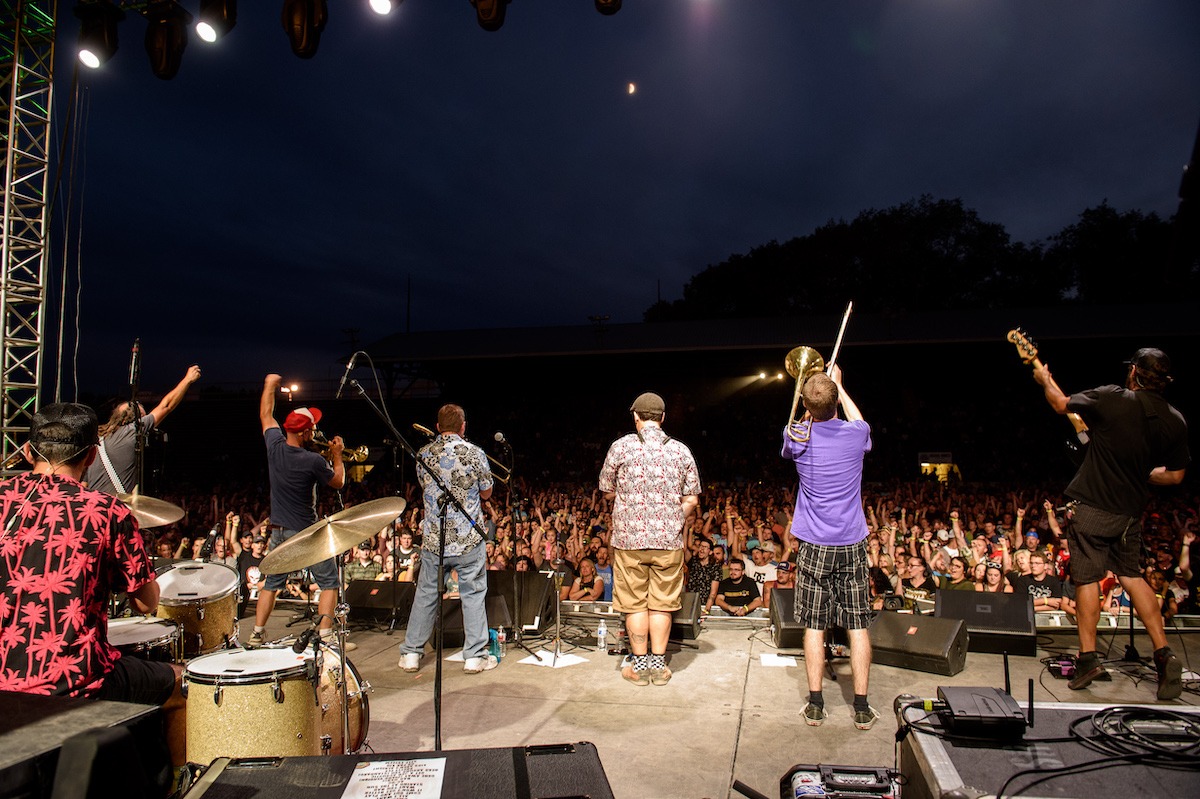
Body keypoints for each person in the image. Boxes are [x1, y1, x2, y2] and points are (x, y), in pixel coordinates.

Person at [0, 403, 186, 767]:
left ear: (26, 451)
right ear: (91, 457)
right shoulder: (105, 511)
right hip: (70, 680)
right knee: (180, 685)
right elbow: (146, 605)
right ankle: (175, 785)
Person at [1032, 347, 1189, 698]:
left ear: (1134, 372)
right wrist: (1142, 473)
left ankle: (1088, 659)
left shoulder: (1114, 397)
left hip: (1092, 505)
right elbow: (1176, 476)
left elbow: (1061, 404)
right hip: (1131, 512)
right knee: (1131, 575)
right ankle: (1163, 654)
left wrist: (1043, 378)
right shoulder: (1174, 419)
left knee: (1087, 577)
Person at [781, 365, 879, 730]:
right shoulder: (857, 434)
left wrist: (810, 399)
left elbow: (803, 422)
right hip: (852, 541)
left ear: (806, 404)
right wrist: (838, 383)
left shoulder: (796, 435)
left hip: (815, 545)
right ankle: (862, 707)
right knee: (857, 626)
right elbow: (858, 417)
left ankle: (816, 704)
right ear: (837, 400)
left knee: (814, 626)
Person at [599, 392, 700, 686]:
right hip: (668, 542)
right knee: (662, 604)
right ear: (663, 417)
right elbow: (691, 498)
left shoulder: (621, 447)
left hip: (629, 541)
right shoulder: (681, 451)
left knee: (634, 605)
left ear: (636, 417)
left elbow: (606, 490)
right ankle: (659, 668)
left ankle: (639, 668)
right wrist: (672, 516)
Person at [247, 374, 347, 650]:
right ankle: (326, 637)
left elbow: (266, 413)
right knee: (329, 583)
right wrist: (337, 456)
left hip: (278, 530)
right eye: (312, 429)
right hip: (305, 533)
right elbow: (338, 482)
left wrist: (269, 383)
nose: (314, 433)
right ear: (304, 433)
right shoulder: (313, 460)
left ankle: (257, 633)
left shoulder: (274, 446)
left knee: (271, 584)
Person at [399, 404, 496, 674]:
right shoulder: (475, 453)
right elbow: (486, 494)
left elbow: (424, 488)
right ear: (463, 426)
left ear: (438, 426)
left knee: (426, 595)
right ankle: (475, 656)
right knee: (473, 595)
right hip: (467, 539)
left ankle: (411, 654)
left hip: (434, 539)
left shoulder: (423, 454)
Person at [86, 364, 202, 495]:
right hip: (117, 510)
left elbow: (84, 484)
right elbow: (166, 406)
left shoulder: (97, 442)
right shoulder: (132, 430)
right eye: (142, 416)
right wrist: (187, 380)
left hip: (93, 509)